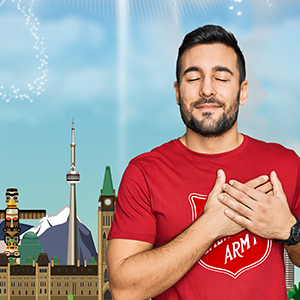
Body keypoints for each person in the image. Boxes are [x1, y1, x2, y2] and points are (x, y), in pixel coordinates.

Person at [106, 25, 300, 299]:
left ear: (243, 92)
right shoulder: (144, 173)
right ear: (177, 92)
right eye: (193, 78)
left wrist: (288, 230)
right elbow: (124, 289)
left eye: (221, 78)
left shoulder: (286, 164)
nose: (206, 89)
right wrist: (210, 227)